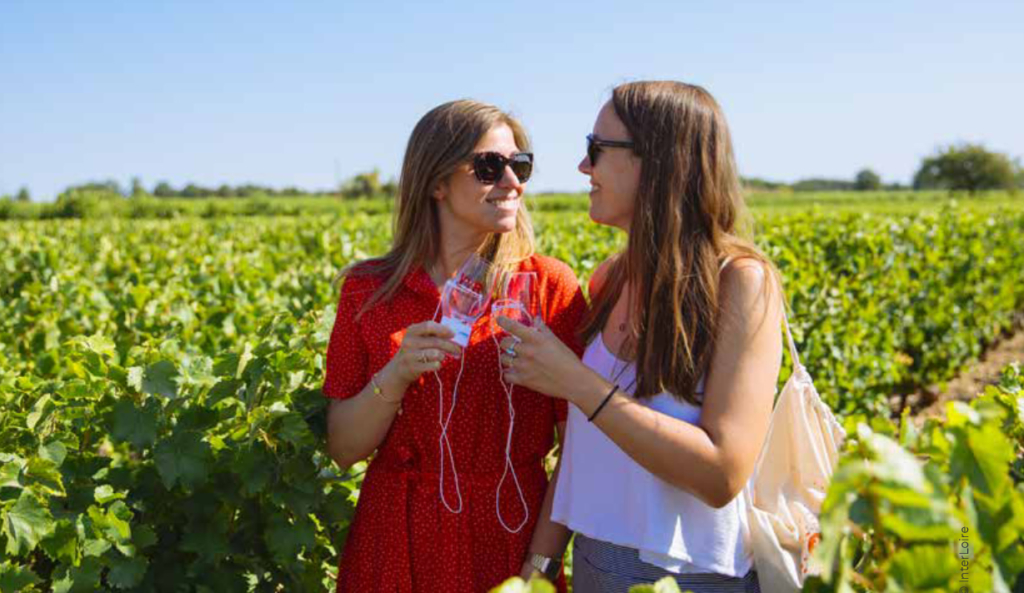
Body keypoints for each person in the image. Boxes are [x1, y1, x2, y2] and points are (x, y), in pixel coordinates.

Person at [497, 81, 782, 592]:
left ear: (659, 161)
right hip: (595, 562)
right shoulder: (612, 278)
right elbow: (586, 446)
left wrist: (576, 382)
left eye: (596, 149)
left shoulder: (740, 282)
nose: (584, 167)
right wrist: (539, 569)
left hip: (693, 576)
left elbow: (721, 474)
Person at [322, 99, 586, 593]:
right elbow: (343, 449)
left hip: (510, 533)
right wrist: (395, 376)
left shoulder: (550, 286)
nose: (512, 182)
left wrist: (541, 564)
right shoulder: (368, 291)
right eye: (489, 166)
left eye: (520, 164)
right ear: (435, 183)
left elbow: (578, 448)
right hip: (396, 537)